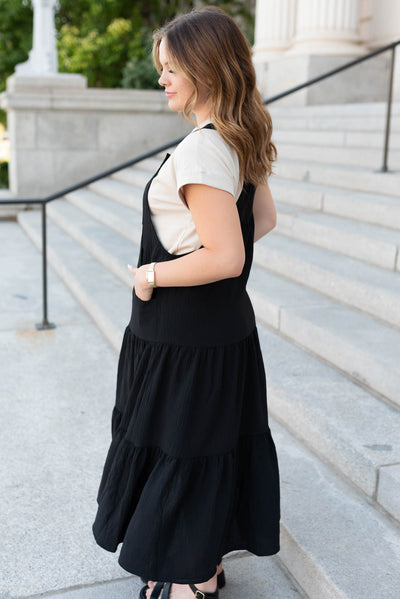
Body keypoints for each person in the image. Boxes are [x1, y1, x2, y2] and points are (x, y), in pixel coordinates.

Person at [92, 6, 280, 599]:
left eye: (171, 68)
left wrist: (151, 271)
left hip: (184, 332)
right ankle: (201, 563)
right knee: (204, 443)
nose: (162, 79)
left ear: (203, 68)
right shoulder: (238, 137)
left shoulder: (203, 149)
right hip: (219, 328)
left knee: (185, 447)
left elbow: (226, 257)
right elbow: (262, 221)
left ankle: (194, 576)